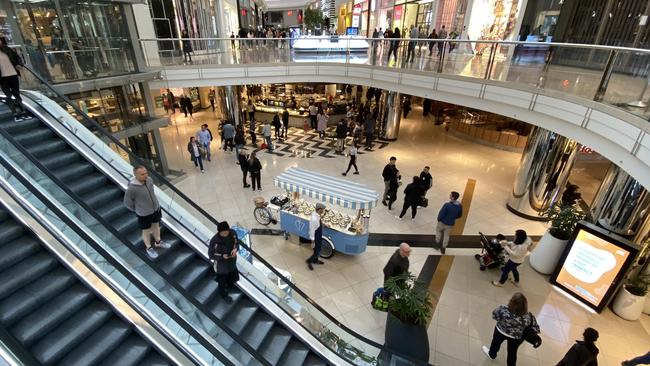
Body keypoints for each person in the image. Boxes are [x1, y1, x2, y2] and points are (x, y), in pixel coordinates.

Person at [123, 166, 171, 259]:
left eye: (146, 173)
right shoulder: (132, 188)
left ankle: (158, 242)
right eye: (142, 174)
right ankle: (149, 248)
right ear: (136, 175)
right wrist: (138, 209)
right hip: (144, 214)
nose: (146, 176)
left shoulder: (149, 180)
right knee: (146, 231)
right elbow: (127, 203)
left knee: (156, 226)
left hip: (155, 209)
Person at [482, 293, 540, 366]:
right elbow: (536, 328)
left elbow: (495, 316)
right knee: (512, 352)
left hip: (500, 331)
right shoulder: (529, 317)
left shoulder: (503, 309)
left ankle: (492, 354)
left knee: (495, 344)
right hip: (516, 338)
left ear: (511, 302)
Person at [208, 221, 239, 301]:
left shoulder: (232, 234)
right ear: (219, 232)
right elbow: (211, 255)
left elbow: (237, 243)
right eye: (223, 233)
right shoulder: (215, 241)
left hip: (231, 261)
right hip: (221, 266)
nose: (225, 234)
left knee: (234, 276)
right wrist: (222, 256)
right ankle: (224, 295)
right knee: (222, 281)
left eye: (227, 232)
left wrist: (235, 249)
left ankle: (228, 283)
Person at [0, 37, 27, 122]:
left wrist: (19, 65)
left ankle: (23, 112)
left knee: (16, 94)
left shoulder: (7, 49)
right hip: (2, 78)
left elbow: (17, 58)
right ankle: (15, 114)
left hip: (13, 75)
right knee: (8, 96)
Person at [306, 203, 326, 270]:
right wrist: (313, 242)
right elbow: (312, 231)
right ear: (319, 209)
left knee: (318, 249)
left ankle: (315, 260)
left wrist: (324, 225)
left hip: (319, 234)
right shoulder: (314, 219)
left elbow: (319, 221)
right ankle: (309, 261)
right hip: (316, 236)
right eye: (322, 209)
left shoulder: (317, 214)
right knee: (317, 251)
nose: (323, 211)